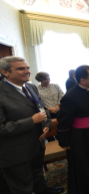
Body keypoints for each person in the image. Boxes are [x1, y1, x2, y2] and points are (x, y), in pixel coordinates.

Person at [0, 56, 63, 194]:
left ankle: (43, 191)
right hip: (15, 151)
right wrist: (32, 121)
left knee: (38, 174)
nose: (27, 71)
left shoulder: (30, 87)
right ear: (5, 72)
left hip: (37, 143)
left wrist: (46, 125)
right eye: (21, 68)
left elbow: (43, 109)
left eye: (27, 68)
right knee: (22, 185)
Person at [57, 65, 89, 194]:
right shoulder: (70, 97)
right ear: (82, 80)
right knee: (83, 162)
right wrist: (64, 141)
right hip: (79, 136)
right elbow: (63, 121)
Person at [36, 72, 64, 141]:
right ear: (40, 80)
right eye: (46, 80)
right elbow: (37, 102)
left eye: (49, 79)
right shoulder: (37, 89)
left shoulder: (55, 86)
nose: (48, 80)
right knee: (49, 132)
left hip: (58, 111)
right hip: (46, 113)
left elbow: (61, 96)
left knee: (61, 129)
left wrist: (57, 106)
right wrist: (49, 109)